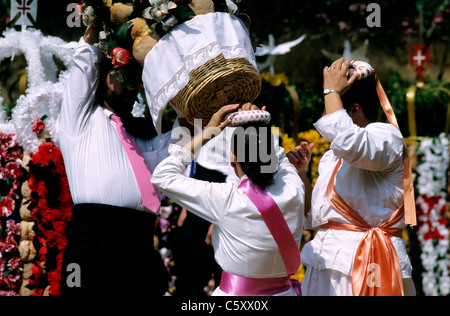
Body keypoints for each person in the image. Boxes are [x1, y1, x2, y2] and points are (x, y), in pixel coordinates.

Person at [56, 21, 173, 296]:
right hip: (90, 246)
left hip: (139, 247)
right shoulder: (80, 120)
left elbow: (185, 137)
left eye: (135, 82)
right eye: (121, 77)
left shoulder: (145, 134)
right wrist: (94, 26)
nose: (128, 88)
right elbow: (82, 67)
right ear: (103, 75)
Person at [151, 103, 311, 296]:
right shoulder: (294, 186)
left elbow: (162, 175)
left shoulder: (226, 198)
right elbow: (278, 156)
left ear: (233, 161)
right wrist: (257, 122)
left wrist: (209, 132)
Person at [296, 58, 416, 296]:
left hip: (367, 262)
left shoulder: (386, 136)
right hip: (326, 262)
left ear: (353, 110)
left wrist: (331, 89)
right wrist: (302, 175)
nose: (325, 114)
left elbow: (351, 143)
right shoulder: (333, 156)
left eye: (331, 104)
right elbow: (315, 217)